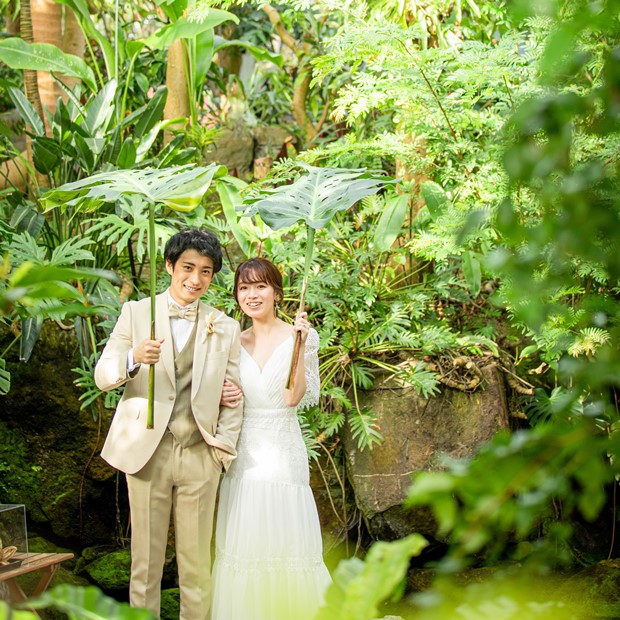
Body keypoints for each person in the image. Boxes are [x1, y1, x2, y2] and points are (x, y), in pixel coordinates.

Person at [94, 228, 243, 620]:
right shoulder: (137, 314)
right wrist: (134, 358)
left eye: (206, 272)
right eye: (188, 268)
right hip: (147, 454)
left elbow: (235, 394)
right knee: (145, 565)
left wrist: (220, 451)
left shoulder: (224, 325)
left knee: (196, 567)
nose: (196, 280)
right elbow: (103, 374)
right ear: (169, 266)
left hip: (199, 454)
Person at [211, 257, 331, 620]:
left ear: (277, 293)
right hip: (244, 455)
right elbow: (213, 390)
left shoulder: (300, 337)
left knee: (287, 544)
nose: (252, 294)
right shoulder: (231, 340)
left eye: (260, 286)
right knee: (245, 544)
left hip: (283, 452)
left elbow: (293, 397)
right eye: (244, 288)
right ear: (236, 295)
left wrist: (300, 344)